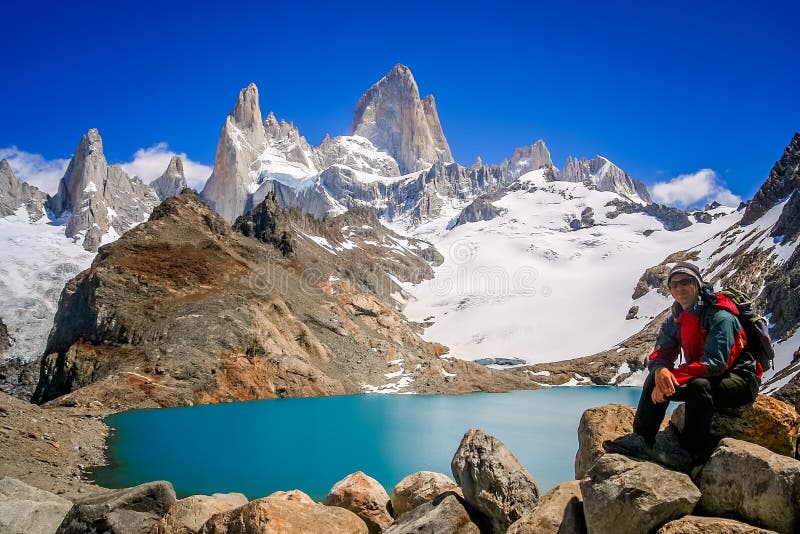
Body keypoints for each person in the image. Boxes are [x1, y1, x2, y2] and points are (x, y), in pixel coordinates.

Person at [604, 262, 762, 465]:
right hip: (705, 375)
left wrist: (673, 377)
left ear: (697, 283)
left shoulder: (720, 316)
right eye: (674, 284)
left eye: (685, 282)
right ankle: (642, 439)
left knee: (699, 386)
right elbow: (662, 352)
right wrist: (661, 371)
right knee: (657, 376)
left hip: (739, 381)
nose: (679, 288)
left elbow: (715, 364)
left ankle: (690, 452)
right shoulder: (677, 317)